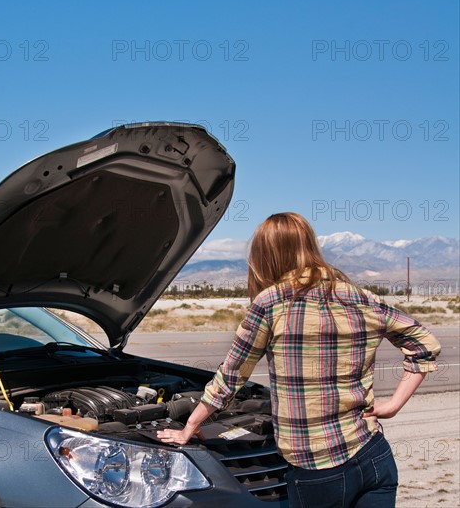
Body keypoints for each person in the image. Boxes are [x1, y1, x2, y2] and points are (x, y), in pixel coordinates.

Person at [157, 212, 441, 508]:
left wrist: (189, 427)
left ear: (266, 256)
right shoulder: (360, 297)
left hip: (318, 472)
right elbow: (425, 344)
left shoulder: (270, 303)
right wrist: (392, 406)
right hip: (374, 456)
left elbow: (231, 378)